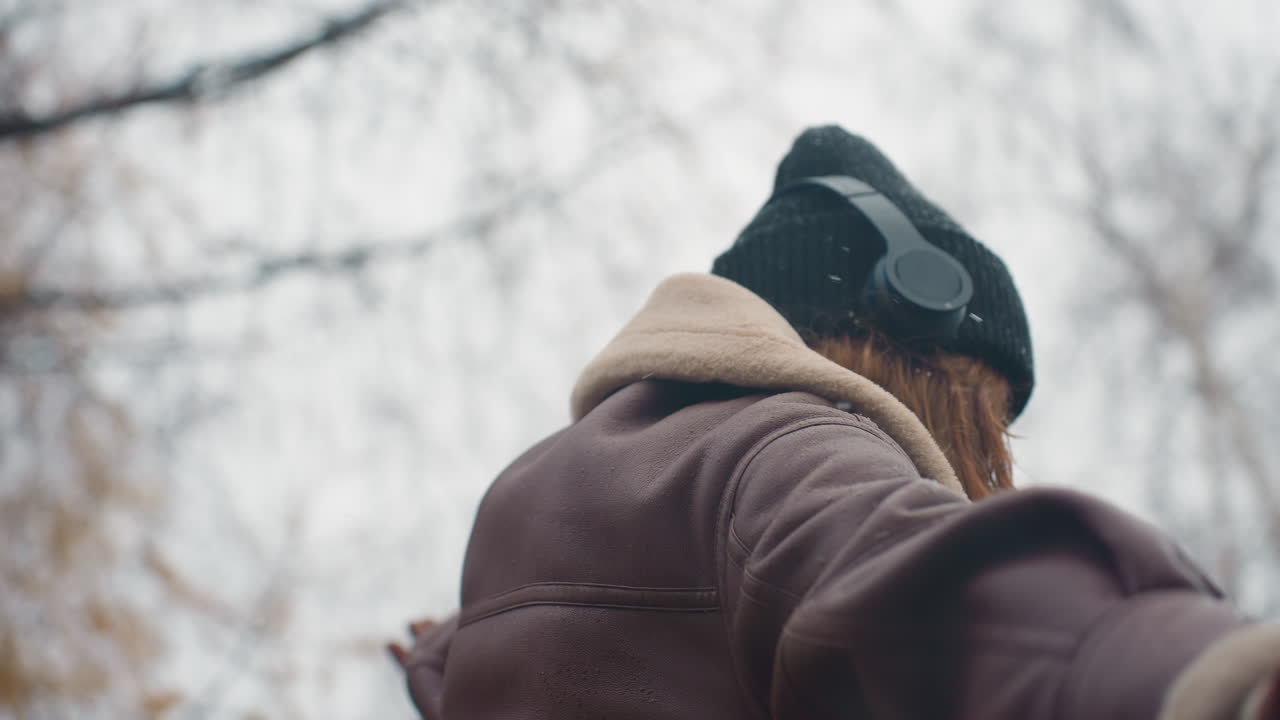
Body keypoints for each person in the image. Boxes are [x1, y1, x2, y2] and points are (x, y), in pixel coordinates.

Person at [390, 126, 1280, 719]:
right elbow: (928, 586)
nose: (985, 461)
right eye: (981, 410)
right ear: (904, 333)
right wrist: (1206, 674)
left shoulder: (537, 495)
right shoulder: (777, 447)